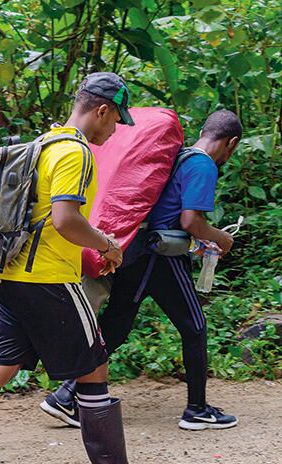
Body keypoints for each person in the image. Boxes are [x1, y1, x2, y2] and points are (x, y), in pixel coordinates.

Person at [0, 73, 167, 464]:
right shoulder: (75, 153)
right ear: (102, 110)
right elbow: (65, 220)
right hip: (49, 278)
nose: (114, 131)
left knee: (1, 364)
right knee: (94, 365)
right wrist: (109, 245)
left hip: (10, 275)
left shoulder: (46, 143)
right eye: (115, 122)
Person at [41, 110, 242, 431]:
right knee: (195, 326)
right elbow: (191, 221)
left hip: (134, 252)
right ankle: (197, 410)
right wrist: (222, 238)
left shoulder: (178, 157)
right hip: (159, 258)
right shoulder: (203, 164)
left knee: (117, 325)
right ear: (231, 144)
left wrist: (200, 241)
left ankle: (65, 396)